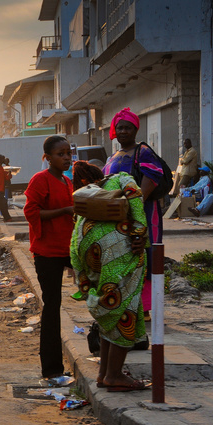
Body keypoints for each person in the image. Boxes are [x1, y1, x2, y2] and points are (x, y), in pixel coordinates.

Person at [71, 161, 149, 392]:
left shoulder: (86, 200)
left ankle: (104, 374)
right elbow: (136, 201)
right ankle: (114, 375)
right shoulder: (122, 178)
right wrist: (139, 234)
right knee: (124, 310)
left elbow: (75, 237)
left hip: (86, 252)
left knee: (108, 311)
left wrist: (83, 278)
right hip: (117, 251)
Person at [102, 108, 166, 321]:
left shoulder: (143, 152)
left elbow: (152, 178)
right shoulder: (113, 156)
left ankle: (145, 309)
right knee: (125, 257)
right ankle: (128, 305)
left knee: (144, 256)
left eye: (127, 128)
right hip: (119, 217)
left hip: (143, 214)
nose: (122, 131)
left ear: (135, 129)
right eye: (119, 127)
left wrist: (136, 204)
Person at [23, 135, 74, 379]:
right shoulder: (40, 180)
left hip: (69, 249)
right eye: (60, 154)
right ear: (48, 157)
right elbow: (31, 212)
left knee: (100, 291)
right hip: (47, 252)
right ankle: (52, 369)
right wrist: (64, 211)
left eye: (68, 153)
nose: (66, 158)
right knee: (52, 307)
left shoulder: (66, 181)